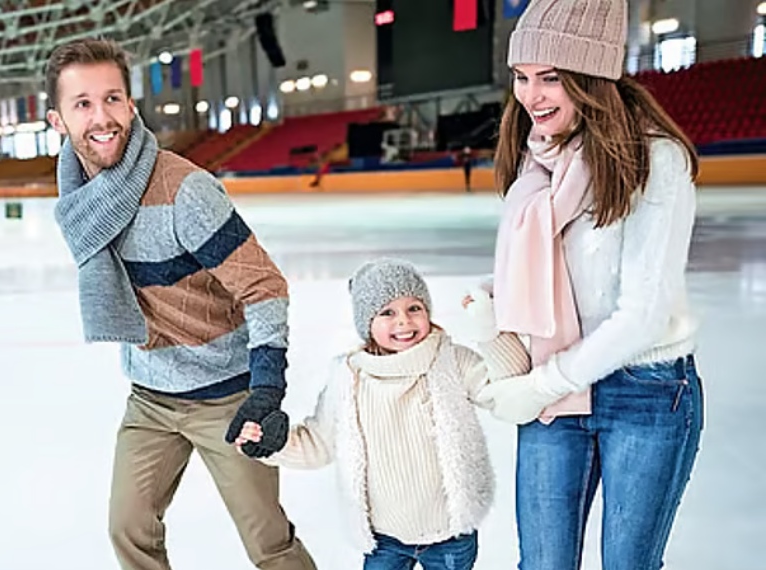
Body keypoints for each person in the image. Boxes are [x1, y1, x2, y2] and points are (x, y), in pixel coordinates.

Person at [45, 38, 317, 570]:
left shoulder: (184, 192)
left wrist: (265, 391)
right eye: (83, 104)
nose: (102, 117)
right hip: (150, 397)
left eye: (113, 99)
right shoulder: (80, 201)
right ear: (58, 120)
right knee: (128, 528)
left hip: (225, 397)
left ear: (131, 104)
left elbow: (264, 287)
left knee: (269, 542)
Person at [476, 0, 705, 568]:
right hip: (560, 390)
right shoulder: (540, 161)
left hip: (646, 392)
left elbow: (642, 313)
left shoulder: (657, 159)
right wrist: (489, 305)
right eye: (522, 78)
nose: (531, 96)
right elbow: (547, 275)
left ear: (592, 75)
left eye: (550, 78)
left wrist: (542, 385)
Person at [236, 258, 532, 570]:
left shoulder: (452, 361)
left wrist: (490, 330)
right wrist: (270, 445)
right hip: (384, 539)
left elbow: (509, 386)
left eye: (414, 308)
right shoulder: (348, 377)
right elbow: (318, 445)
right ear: (367, 323)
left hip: (450, 534)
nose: (404, 321)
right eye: (387, 313)